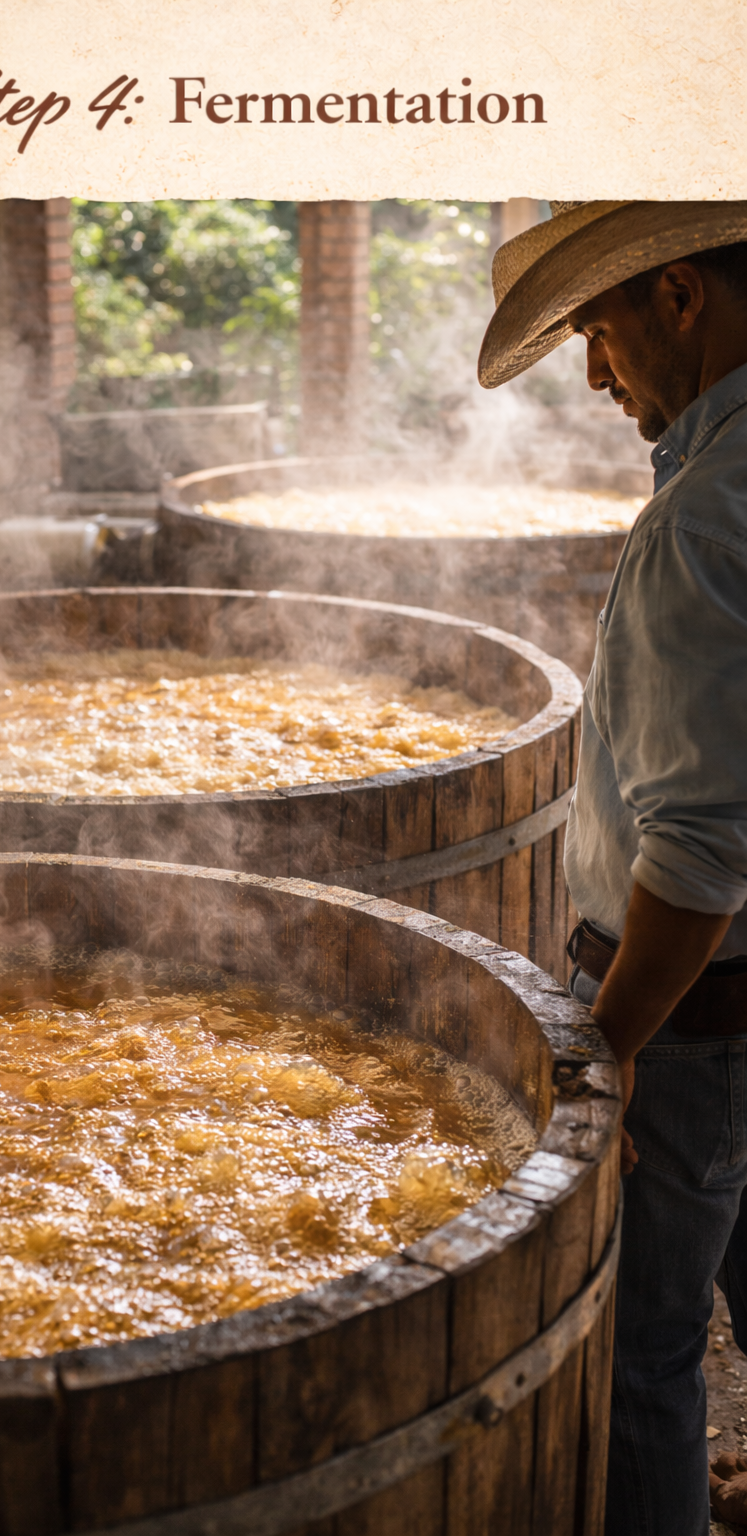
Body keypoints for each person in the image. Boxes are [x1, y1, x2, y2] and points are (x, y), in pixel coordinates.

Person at [478, 201, 747, 1536]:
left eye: (597, 328)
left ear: (682, 298)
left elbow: (698, 853)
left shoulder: (702, 524)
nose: (594, 373)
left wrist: (613, 1046)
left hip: (698, 1018)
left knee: (641, 1356)